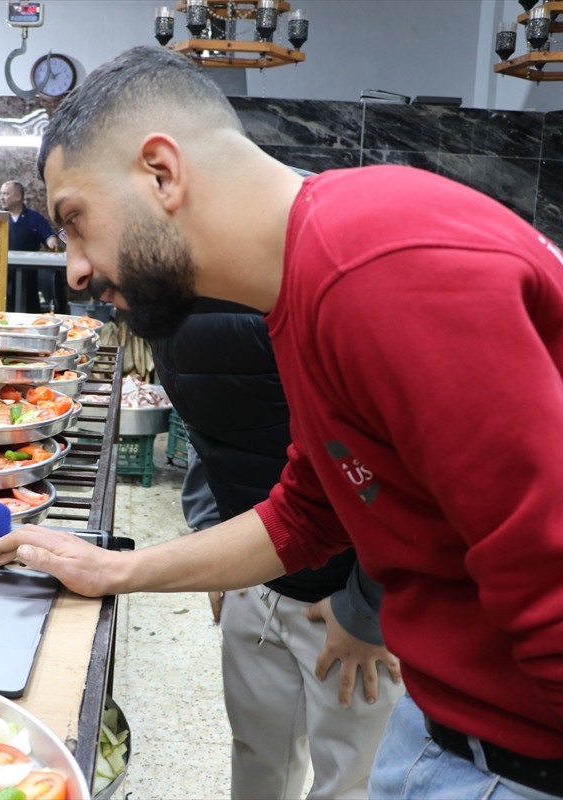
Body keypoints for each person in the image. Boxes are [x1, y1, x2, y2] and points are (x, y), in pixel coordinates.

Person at [0, 46, 563, 800]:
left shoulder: (373, 265)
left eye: (77, 223)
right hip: (452, 727)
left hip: (545, 761)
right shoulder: (305, 287)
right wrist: (119, 571)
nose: (75, 269)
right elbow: (307, 513)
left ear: (161, 173)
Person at [155, 297, 403, 799]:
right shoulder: (167, 312)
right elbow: (214, 440)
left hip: (347, 600)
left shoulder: (318, 304)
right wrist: (217, 550)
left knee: (350, 779)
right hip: (257, 582)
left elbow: (397, 468)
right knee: (257, 756)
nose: (79, 271)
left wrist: (367, 608)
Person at [0, 180, 61, 313]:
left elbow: (49, 237)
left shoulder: (34, 218)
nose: (2, 198)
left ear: (18, 196)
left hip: (30, 275)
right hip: (4, 274)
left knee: (29, 308)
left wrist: (52, 242)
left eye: (5, 194)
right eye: (1, 194)